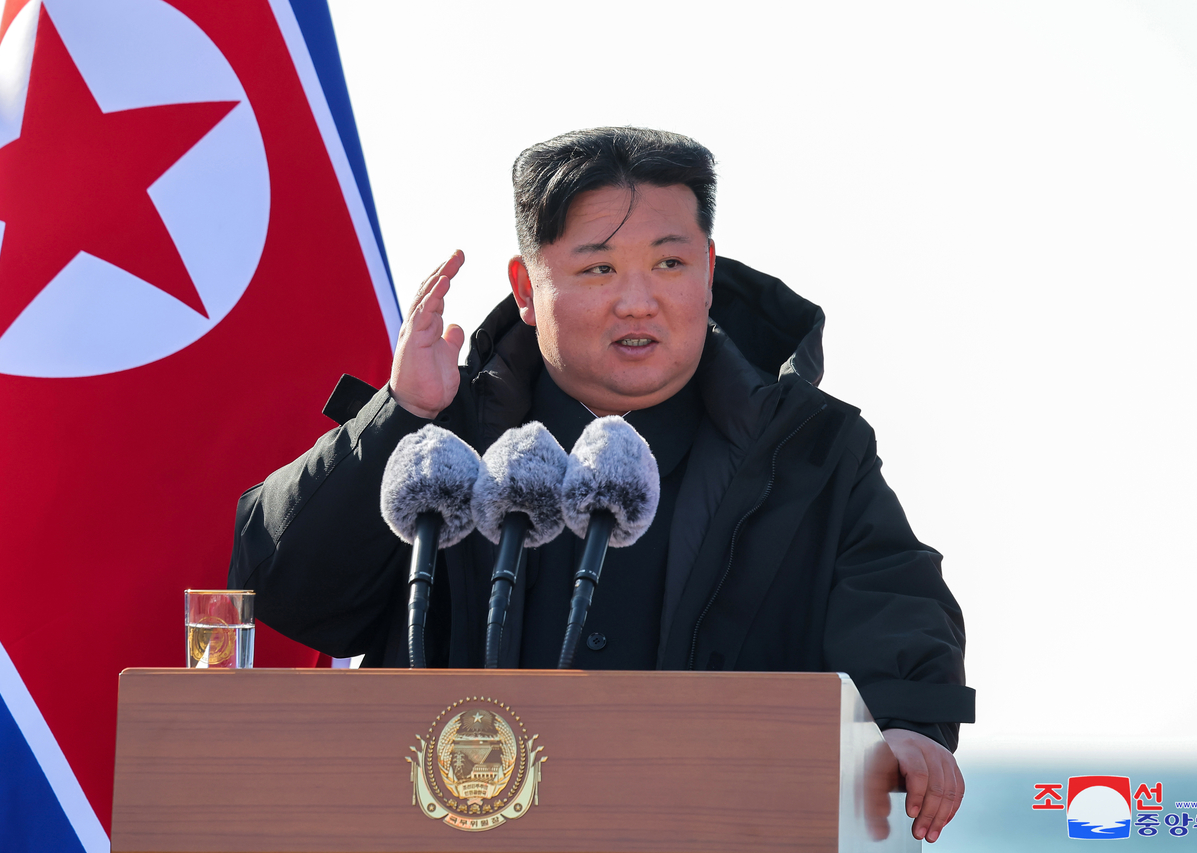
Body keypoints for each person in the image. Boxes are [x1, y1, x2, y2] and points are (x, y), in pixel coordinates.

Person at [229, 127, 973, 842]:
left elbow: (892, 595)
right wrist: (401, 415)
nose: (638, 301)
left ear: (709, 271)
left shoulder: (810, 447)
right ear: (525, 288)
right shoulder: (442, 435)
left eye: (670, 264)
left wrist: (906, 723)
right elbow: (291, 593)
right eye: (598, 268)